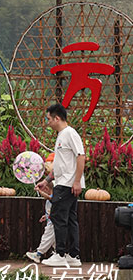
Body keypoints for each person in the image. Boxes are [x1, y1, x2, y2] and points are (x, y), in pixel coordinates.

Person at [37, 104, 85, 267]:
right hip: (63, 182)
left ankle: (60, 254)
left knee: (58, 217)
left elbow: (81, 156)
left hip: (67, 184)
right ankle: (73, 255)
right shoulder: (61, 135)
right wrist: (46, 180)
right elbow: (60, 164)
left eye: (49, 119)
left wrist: (77, 181)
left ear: (57, 118)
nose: (47, 122)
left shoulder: (70, 133)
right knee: (70, 218)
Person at [25, 179, 55, 264]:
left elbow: (49, 197)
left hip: (53, 223)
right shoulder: (49, 198)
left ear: (46, 189)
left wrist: (39, 191)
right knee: (54, 241)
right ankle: (60, 254)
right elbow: (51, 210)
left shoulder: (53, 196)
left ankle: (38, 254)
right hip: (51, 221)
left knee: (46, 237)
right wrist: (46, 216)